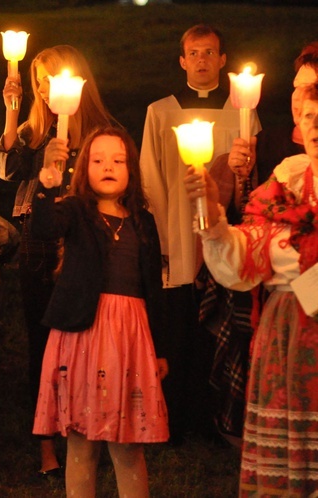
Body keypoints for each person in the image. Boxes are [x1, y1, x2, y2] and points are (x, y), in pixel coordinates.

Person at [184, 82, 318, 497]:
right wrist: (212, 217)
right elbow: (243, 259)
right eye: (309, 115)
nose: (314, 124)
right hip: (286, 338)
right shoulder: (285, 184)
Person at [0, 44, 116, 476]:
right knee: (44, 346)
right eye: (40, 81)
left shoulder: (104, 133)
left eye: (56, 79)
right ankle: (46, 445)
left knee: (88, 343)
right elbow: (7, 172)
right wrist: (11, 111)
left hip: (87, 247)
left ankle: (86, 432)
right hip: (39, 247)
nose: (47, 90)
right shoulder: (32, 134)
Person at [139, 24, 260, 445]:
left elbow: (250, 180)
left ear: (223, 61)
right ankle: (175, 418)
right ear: (182, 60)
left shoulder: (242, 113)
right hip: (175, 234)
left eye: (211, 52)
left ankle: (216, 419)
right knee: (178, 329)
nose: (203, 59)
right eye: (195, 52)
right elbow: (151, 179)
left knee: (218, 324)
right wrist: (163, 239)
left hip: (222, 236)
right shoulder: (160, 112)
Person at [32, 126, 169, 497]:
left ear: (131, 170)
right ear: (83, 169)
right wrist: (47, 179)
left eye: (118, 160)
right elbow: (44, 227)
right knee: (81, 443)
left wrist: (160, 349)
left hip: (129, 336)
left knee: (128, 444)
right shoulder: (76, 211)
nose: (108, 166)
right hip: (83, 334)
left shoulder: (143, 220)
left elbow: (152, 288)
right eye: (97, 160)